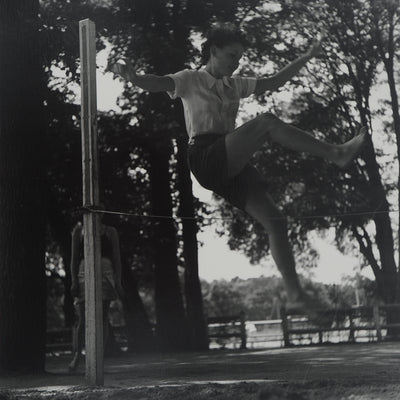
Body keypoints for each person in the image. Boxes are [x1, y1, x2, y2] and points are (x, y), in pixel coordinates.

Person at [110, 24, 367, 314]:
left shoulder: (235, 85)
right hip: (205, 156)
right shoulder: (190, 79)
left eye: (240, 57)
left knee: (276, 221)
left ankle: (295, 294)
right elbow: (157, 82)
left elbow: (274, 81)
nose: (237, 62)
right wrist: (133, 77)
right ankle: (336, 153)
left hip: (230, 160)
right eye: (232, 56)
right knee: (267, 122)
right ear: (214, 51)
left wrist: (307, 57)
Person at [69, 214, 124, 372]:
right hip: (84, 270)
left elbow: (116, 258)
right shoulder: (78, 231)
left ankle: (100, 357)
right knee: (83, 317)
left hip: (105, 271)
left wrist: (118, 281)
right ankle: (78, 355)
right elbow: (73, 259)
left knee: (102, 316)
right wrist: (73, 280)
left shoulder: (110, 231)